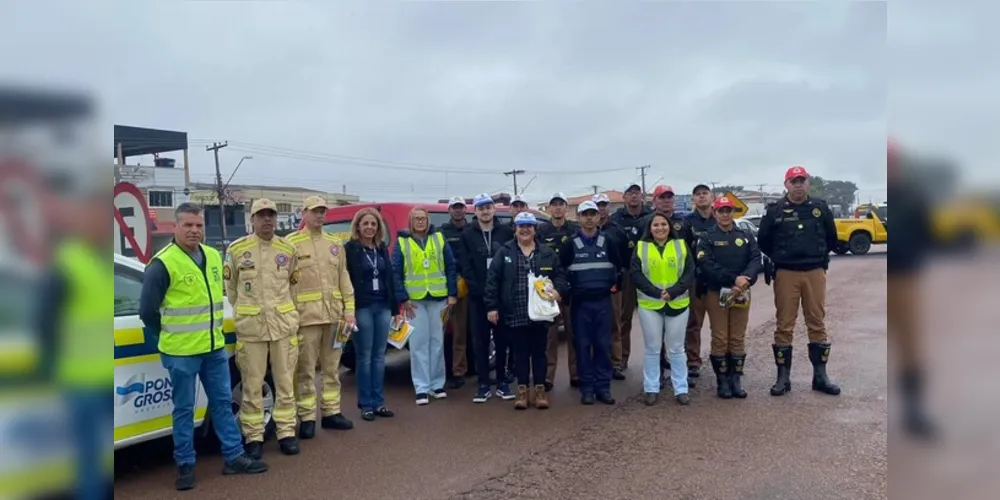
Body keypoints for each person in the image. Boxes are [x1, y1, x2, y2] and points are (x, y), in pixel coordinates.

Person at [140, 203, 266, 491]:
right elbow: (147, 311)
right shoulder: (162, 263)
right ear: (175, 227)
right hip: (181, 352)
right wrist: (168, 337)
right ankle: (185, 465)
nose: (195, 230)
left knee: (222, 404)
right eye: (188, 225)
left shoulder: (211, 256)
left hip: (213, 350)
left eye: (199, 225)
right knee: (184, 409)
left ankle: (234, 456)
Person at [225, 198, 301, 458]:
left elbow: (293, 286)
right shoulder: (237, 250)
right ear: (252, 219)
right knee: (252, 384)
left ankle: (286, 432)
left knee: (285, 382)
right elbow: (232, 290)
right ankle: (254, 436)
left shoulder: (288, 249)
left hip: (282, 326)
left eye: (271, 214)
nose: (267, 219)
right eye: (261, 215)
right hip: (251, 328)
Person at [756, 166, 841, 397]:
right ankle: (783, 378)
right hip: (786, 273)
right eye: (793, 181)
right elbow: (763, 240)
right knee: (784, 324)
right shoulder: (774, 210)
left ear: (808, 183)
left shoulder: (819, 208)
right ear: (786, 185)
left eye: (801, 180)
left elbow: (832, 237)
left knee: (817, 322)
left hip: (814, 271)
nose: (798, 185)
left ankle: (820, 377)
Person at [485, 212, 570, 410]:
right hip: (515, 311)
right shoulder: (504, 252)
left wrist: (559, 291)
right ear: (515, 229)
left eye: (529, 226)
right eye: (521, 226)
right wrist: (491, 306)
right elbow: (492, 280)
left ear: (534, 229)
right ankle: (522, 391)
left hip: (541, 313)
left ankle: (539, 391)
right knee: (520, 354)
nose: (525, 229)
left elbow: (560, 275)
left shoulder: (547, 252)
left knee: (540, 353)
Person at [287, 196, 356, 437]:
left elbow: (344, 279)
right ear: (304, 213)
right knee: (305, 370)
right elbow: (285, 285)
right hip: (306, 319)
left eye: (323, 211)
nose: (320, 216)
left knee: (332, 367)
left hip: (334, 317)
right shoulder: (291, 244)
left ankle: (331, 412)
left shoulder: (334, 243)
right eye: (315, 211)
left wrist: (349, 312)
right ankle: (306, 417)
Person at [886, 140, 937, 438]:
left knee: (910, 344)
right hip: (883, 276)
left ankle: (914, 411)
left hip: (905, 278)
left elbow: (928, 234)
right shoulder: (876, 206)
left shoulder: (912, 196)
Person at [392, 206, 460, 405]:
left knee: (437, 343)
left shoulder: (438, 239)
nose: (420, 222)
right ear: (410, 221)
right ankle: (421, 387)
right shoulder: (402, 243)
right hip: (415, 303)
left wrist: (452, 294)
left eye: (423, 218)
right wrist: (403, 299)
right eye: (416, 219)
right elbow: (396, 272)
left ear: (428, 220)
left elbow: (451, 266)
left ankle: (437, 384)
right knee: (418, 345)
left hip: (438, 299)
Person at [696, 197, 762, 399]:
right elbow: (706, 264)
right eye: (721, 211)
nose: (725, 214)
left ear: (733, 212)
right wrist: (733, 279)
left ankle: (735, 379)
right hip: (718, 292)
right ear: (714, 213)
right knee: (720, 337)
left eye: (728, 210)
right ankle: (722, 381)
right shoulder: (706, 237)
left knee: (737, 337)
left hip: (741, 292)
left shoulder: (745, 234)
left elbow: (755, 258)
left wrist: (746, 279)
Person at [561, 201, 624, 405]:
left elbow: (619, 268)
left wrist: (614, 285)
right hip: (580, 305)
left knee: (602, 346)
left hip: (603, 302)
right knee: (582, 346)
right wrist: (569, 292)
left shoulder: (609, 240)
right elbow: (561, 272)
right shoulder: (570, 243)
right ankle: (587, 388)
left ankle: (603, 388)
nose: (589, 218)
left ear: (599, 217)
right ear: (578, 218)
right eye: (584, 214)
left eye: (592, 214)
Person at [632, 212, 695, 406]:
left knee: (676, 348)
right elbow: (635, 273)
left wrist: (674, 291)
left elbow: (689, 271)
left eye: (664, 224)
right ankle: (651, 388)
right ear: (649, 229)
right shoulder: (641, 247)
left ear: (669, 226)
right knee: (652, 348)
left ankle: (681, 389)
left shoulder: (681, 245)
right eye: (656, 225)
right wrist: (656, 292)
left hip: (678, 303)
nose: (660, 228)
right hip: (650, 305)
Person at [344, 208, 401, 421]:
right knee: (364, 356)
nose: (369, 227)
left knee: (379, 356)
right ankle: (365, 404)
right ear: (358, 226)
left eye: (374, 224)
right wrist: (347, 310)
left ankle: (379, 402)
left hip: (383, 306)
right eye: (365, 223)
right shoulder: (350, 249)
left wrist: (396, 310)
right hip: (362, 307)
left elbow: (390, 279)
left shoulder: (381, 248)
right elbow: (346, 280)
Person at [460, 193, 515, 402]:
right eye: (481, 208)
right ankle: (483, 384)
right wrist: (479, 291)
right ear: (475, 212)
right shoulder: (467, 235)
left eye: (488, 207)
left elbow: (510, 262)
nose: (485, 211)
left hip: (502, 296)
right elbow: (466, 266)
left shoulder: (505, 232)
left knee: (502, 341)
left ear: (494, 210)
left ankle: (502, 382)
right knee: (481, 342)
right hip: (478, 297)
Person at [644, 185, 695, 378]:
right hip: (652, 290)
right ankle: (657, 376)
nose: (666, 200)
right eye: (662, 197)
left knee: (678, 337)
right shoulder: (646, 222)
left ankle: (681, 375)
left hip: (679, 288)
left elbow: (689, 254)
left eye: (669, 197)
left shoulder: (684, 222)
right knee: (654, 340)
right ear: (654, 200)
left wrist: (681, 285)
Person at [537, 192, 580, 390]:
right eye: (553, 204)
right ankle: (548, 377)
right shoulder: (541, 231)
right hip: (548, 289)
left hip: (571, 287)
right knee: (550, 336)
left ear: (566, 207)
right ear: (549, 208)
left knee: (574, 333)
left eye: (560, 204)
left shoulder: (575, 229)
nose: (557, 208)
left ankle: (576, 373)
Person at [609, 182, 651, 376]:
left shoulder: (652, 216)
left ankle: (661, 357)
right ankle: (622, 358)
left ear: (641, 196)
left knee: (656, 316)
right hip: (626, 274)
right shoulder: (615, 219)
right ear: (624, 198)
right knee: (623, 318)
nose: (634, 196)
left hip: (651, 273)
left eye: (637, 193)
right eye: (629, 193)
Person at [682, 184, 717, 379]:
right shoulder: (686, 222)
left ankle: (722, 356)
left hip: (718, 279)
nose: (702, 197)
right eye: (698, 194)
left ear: (712, 196)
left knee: (720, 321)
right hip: (696, 278)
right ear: (693, 199)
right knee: (694, 322)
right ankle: (693, 360)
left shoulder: (721, 217)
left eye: (705, 193)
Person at [439, 196, 473, 389]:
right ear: (449, 210)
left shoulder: (472, 229)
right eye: (455, 207)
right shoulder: (442, 232)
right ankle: (453, 372)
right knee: (452, 333)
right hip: (450, 286)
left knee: (471, 332)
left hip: (473, 285)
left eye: (461, 207)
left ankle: (467, 370)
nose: (458, 211)